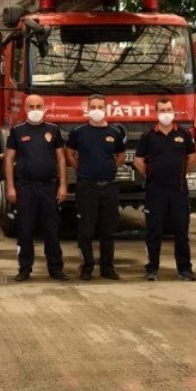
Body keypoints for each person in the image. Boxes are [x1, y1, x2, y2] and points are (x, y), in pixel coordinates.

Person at [5, 94, 68, 282]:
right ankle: (24, 268)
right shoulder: (17, 131)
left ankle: (55, 268)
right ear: (25, 109)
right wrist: (10, 187)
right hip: (25, 188)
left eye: (38, 106)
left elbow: (61, 158)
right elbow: (9, 159)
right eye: (31, 106)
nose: (35, 109)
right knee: (25, 229)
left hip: (49, 187)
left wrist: (63, 185)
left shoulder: (53, 130)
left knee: (52, 230)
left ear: (44, 108)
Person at [133, 98, 196, 281]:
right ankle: (152, 269)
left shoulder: (183, 134)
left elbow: (192, 157)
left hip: (179, 190)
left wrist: (181, 171)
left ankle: (185, 269)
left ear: (173, 111)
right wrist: (151, 174)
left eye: (169, 109)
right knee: (154, 232)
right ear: (156, 112)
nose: (166, 113)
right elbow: (138, 161)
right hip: (155, 191)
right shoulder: (148, 136)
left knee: (181, 232)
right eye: (162, 110)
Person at [66, 94, 127, 281]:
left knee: (108, 231)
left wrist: (109, 168)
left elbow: (121, 156)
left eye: (101, 106)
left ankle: (107, 267)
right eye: (93, 106)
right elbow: (70, 154)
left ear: (106, 109)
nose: (97, 110)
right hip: (87, 187)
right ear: (88, 108)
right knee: (86, 230)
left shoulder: (115, 132)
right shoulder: (78, 132)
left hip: (109, 187)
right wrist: (81, 169)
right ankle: (87, 267)